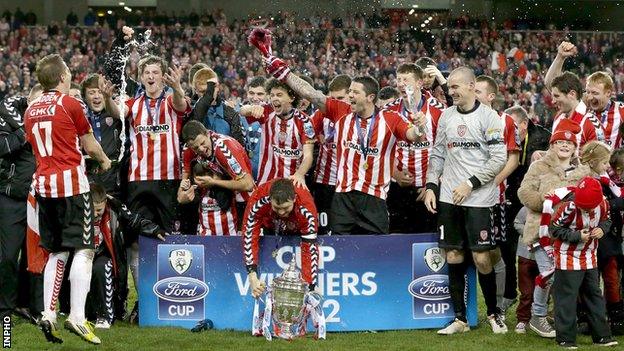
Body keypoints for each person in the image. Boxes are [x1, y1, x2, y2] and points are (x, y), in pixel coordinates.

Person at [248, 28, 426, 234]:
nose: (350, 95)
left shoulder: (390, 118)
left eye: (355, 92)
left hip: (375, 197)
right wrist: (285, 73)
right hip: (343, 197)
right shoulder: (341, 112)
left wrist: (420, 125)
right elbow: (311, 94)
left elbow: (413, 135)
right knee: (341, 248)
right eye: (349, 91)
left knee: (375, 252)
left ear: (370, 97)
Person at [24, 54, 111, 345]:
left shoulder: (31, 108)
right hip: (72, 187)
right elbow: (89, 143)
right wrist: (104, 159)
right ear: (62, 76)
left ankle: (49, 313)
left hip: (44, 188)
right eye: (69, 72)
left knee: (57, 251)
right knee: (84, 249)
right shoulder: (70, 103)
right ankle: (76, 315)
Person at [422, 67, 507, 334]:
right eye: (450, 88)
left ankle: (494, 314)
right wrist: (431, 185)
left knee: (482, 258)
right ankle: (459, 319)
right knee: (454, 255)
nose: (452, 91)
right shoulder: (446, 116)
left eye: (457, 86)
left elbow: (498, 159)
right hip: (449, 197)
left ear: (472, 86)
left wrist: (470, 184)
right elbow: (437, 154)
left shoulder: (490, 117)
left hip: (479, 199)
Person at [517, 119, 589, 339]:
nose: (565, 146)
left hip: (570, 233)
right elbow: (523, 192)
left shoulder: (583, 171)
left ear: (575, 147)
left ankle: (560, 316)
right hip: (542, 231)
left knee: (564, 276)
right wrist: (545, 201)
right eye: (560, 143)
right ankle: (538, 316)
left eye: (569, 144)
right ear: (553, 144)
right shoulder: (538, 166)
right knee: (549, 273)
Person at [549, 177, 618, 348]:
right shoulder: (568, 207)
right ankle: (566, 338)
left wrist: (602, 229)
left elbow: (607, 220)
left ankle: (602, 336)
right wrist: (577, 236)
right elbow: (554, 229)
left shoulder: (604, 203)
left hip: (590, 255)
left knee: (594, 295)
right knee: (567, 297)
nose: (584, 209)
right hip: (567, 256)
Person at [88, 183, 166, 329]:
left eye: (99, 210)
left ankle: (105, 317)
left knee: (101, 266)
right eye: (92, 210)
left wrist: (154, 230)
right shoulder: (76, 210)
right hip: (82, 255)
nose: (95, 214)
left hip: (105, 254)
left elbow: (134, 220)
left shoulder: (115, 208)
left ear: (105, 202)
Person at [474, 75, 520, 314]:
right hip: (467, 197)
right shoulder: (463, 118)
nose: (474, 95)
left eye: (479, 91)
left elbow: (513, 158)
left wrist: (493, 182)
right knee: (473, 250)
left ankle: (499, 305)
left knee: (494, 250)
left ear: (491, 96)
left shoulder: (506, 121)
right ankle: (467, 308)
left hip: (494, 198)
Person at [0, 85, 43, 323]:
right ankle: (4, 310)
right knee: (7, 257)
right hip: (11, 198)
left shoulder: (51, 122)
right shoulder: (7, 116)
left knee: (36, 256)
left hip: (40, 198)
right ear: (27, 101)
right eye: (34, 102)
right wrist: (23, 132)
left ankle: (33, 308)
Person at [385, 63, 445, 234]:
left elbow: (446, 151)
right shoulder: (388, 111)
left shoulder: (438, 110)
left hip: (429, 187)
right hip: (397, 188)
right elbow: (383, 149)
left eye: (406, 80)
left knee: (428, 240)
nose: (401, 84)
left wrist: (432, 184)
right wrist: (394, 173)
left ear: (419, 83)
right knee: (396, 238)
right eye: (399, 80)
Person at [243, 178, 319, 297]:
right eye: (277, 208)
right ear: (270, 199)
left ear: (294, 198)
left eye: (286, 207)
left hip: (297, 226)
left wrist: (310, 285)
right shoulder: (259, 198)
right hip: (271, 225)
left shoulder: (306, 205)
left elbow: (309, 247)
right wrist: (252, 275)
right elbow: (249, 234)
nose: (282, 212)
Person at [178, 121, 254, 235]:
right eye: (196, 148)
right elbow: (181, 194)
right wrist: (183, 193)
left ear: (207, 133)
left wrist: (214, 182)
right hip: (221, 199)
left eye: (203, 143)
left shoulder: (224, 148)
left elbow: (248, 185)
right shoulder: (188, 150)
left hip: (243, 201)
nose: (201, 149)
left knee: (241, 245)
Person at [239, 78, 315, 188]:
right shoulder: (267, 111)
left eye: (279, 95)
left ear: (292, 97)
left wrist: (299, 174)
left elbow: (308, 156)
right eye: (272, 95)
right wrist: (252, 108)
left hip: (292, 182)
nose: (274, 98)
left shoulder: (305, 121)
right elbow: (242, 111)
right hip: (266, 181)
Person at [310, 74, 351, 235]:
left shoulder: (356, 116)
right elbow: (307, 131)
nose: (336, 102)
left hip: (348, 183)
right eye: (332, 98)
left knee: (344, 228)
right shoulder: (322, 113)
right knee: (323, 228)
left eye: (340, 98)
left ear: (351, 95)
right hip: (324, 182)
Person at [544, 41, 599, 147]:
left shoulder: (589, 121)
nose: (553, 101)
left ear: (572, 94)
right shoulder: (560, 116)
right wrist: (560, 57)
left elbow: (598, 160)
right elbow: (550, 83)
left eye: (556, 96)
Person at [80, 73, 123, 197]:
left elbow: (119, 112)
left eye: (100, 91)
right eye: (92, 92)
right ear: (85, 96)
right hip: (88, 176)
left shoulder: (114, 111)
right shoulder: (81, 116)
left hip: (113, 175)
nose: (97, 96)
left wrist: (109, 99)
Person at [189, 67, 245, 146]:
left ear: (217, 87)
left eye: (210, 90)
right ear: (196, 90)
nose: (208, 95)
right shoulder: (189, 112)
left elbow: (239, 147)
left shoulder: (231, 113)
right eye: (203, 92)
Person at [585, 71, 624, 148]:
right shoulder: (582, 112)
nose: (589, 97)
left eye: (594, 93)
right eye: (587, 92)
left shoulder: (621, 111)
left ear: (608, 93)